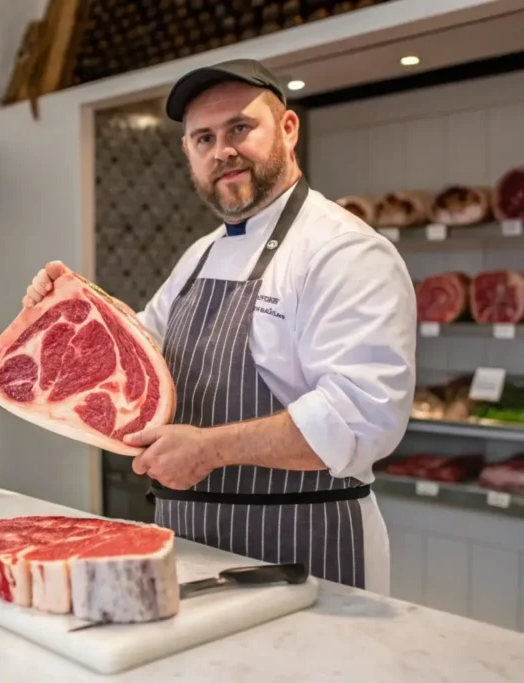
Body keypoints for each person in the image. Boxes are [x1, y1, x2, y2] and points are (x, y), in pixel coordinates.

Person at [21, 58, 416, 595]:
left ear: (289, 129)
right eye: (203, 138)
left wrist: (211, 449)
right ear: (188, 154)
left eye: (240, 128)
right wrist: (67, 314)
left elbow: (365, 416)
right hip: (189, 546)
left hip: (304, 553)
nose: (221, 150)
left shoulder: (343, 250)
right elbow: (142, 350)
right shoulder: (200, 255)